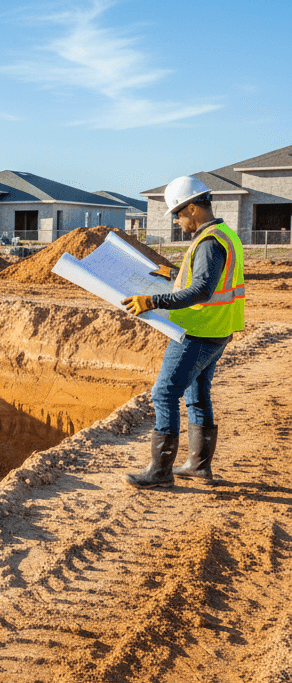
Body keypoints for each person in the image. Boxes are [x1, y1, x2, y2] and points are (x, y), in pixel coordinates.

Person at [121, 175, 245, 488]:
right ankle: (198, 465)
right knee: (197, 392)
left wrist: (152, 300)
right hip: (218, 330)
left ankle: (160, 472)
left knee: (164, 393)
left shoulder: (207, 242)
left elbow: (202, 290)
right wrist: (172, 274)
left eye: (177, 213)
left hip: (197, 332)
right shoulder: (224, 233)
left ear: (191, 208)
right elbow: (206, 280)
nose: (176, 221)